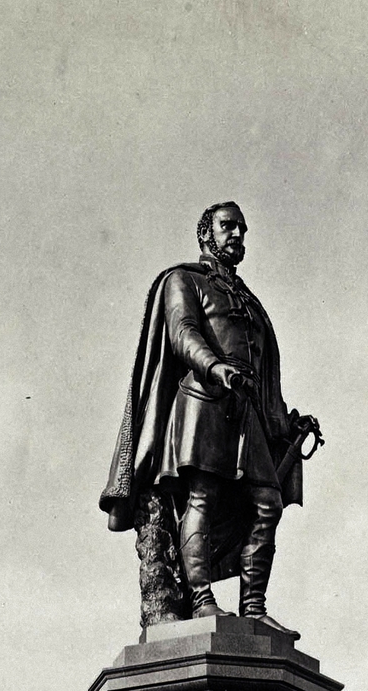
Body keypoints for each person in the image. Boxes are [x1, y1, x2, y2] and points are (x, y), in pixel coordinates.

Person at [100, 202, 319, 631]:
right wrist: (217, 368)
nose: (237, 234)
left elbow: (263, 368)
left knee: (267, 502)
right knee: (201, 497)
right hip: (202, 401)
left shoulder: (249, 302)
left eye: (242, 229)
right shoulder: (183, 280)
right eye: (227, 226)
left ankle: (253, 608)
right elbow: (183, 334)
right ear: (206, 235)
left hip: (246, 412)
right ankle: (202, 601)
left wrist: (286, 423)